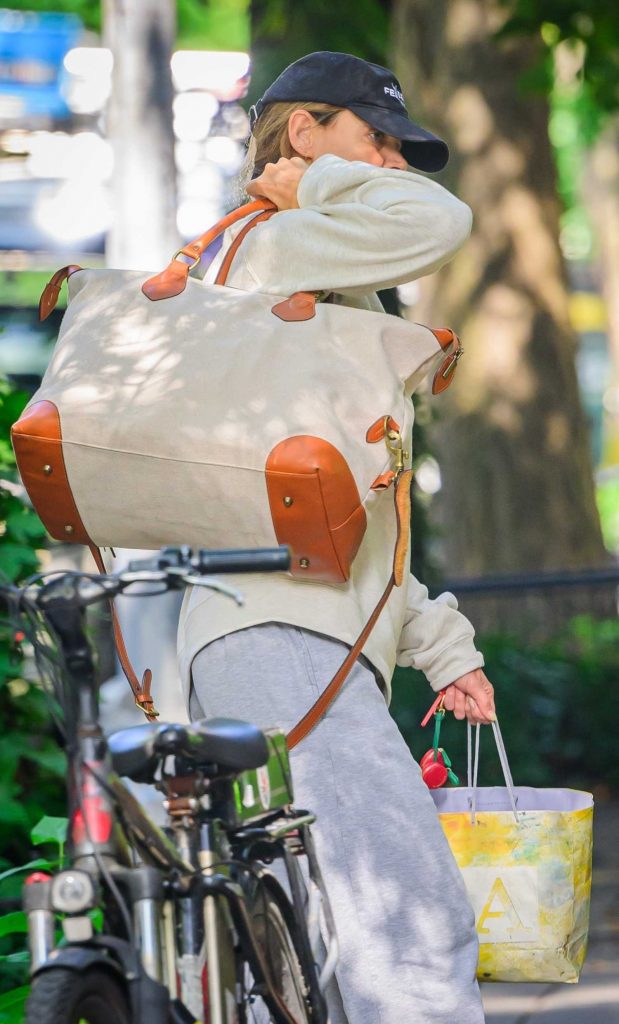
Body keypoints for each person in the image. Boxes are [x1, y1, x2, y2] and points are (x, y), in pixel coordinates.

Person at [178, 51, 494, 1024]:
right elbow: (442, 221)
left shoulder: (315, 293)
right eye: (376, 140)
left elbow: (349, 523)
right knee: (408, 924)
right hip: (285, 640)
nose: (393, 165)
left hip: (270, 632)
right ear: (303, 131)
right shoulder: (278, 250)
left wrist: (440, 646)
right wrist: (315, 183)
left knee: (301, 956)